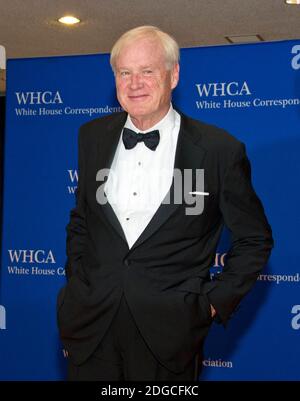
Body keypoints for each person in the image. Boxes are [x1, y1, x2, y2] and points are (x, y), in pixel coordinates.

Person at [57, 26, 273, 381]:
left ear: (173, 75)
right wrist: (78, 283)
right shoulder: (92, 136)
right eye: (124, 73)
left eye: (147, 71)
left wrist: (212, 303)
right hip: (91, 325)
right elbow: (82, 218)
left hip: (169, 335)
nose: (134, 83)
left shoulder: (218, 150)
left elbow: (255, 239)